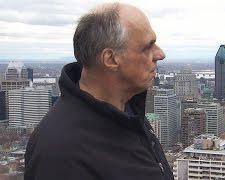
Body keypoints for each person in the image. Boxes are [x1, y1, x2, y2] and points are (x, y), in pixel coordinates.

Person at [24, 3, 174, 180]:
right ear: (111, 59)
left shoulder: (128, 112)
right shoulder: (60, 153)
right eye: (147, 47)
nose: (160, 54)